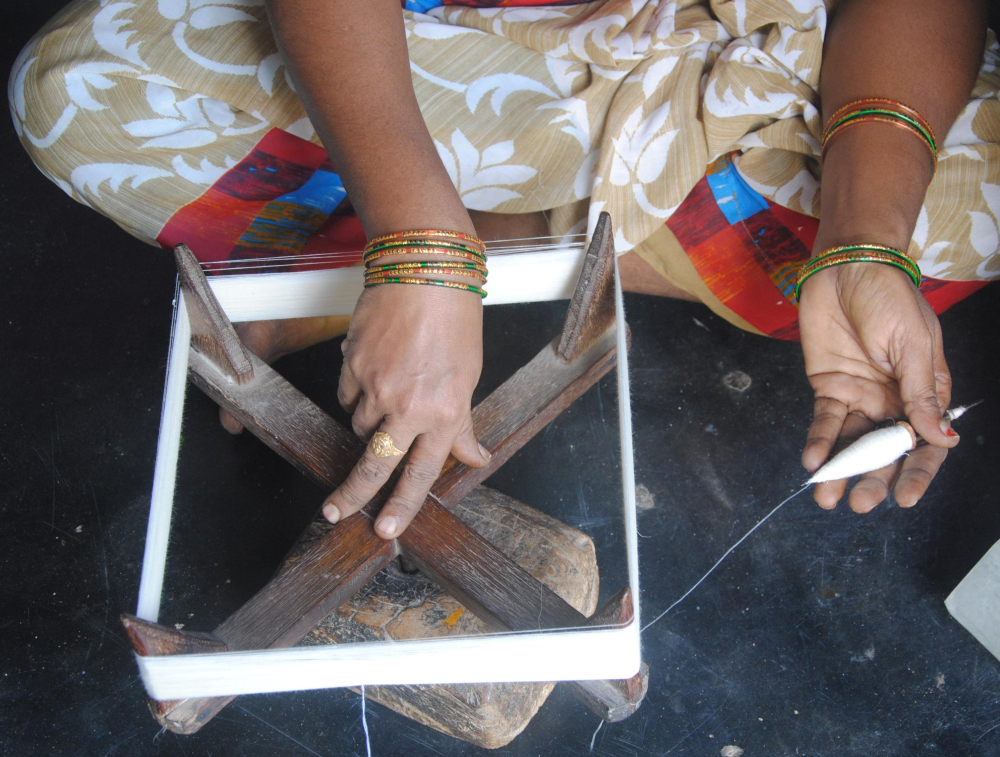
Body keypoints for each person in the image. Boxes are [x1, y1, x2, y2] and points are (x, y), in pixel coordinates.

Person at [11, 0, 997, 541]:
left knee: (967, 204)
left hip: (784, 60)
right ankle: (459, 242)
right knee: (74, 89)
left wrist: (865, 241)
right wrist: (418, 241)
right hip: (489, 53)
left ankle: (463, 248)